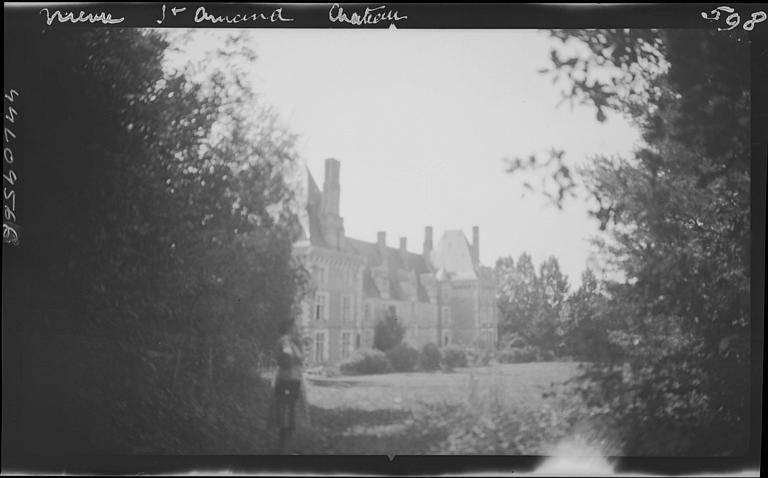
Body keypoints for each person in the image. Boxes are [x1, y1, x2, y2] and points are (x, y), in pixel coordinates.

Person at [269, 318, 308, 453]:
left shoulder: (291, 342)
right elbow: (289, 359)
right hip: (287, 381)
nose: (297, 329)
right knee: (286, 418)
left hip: (292, 380)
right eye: (295, 326)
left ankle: (286, 450)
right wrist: (298, 353)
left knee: (289, 417)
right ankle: (284, 452)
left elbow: (298, 358)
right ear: (289, 327)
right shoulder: (285, 341)